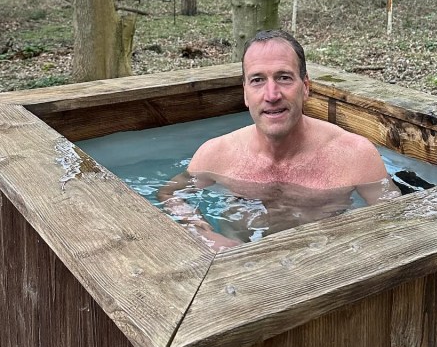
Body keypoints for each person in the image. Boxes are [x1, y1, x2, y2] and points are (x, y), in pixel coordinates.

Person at [159, 29, 399, 250]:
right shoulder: (216, 153)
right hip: (239, 266)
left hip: (322, 265)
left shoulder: (354, 155)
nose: (271, 95)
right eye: (257, 80)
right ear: (245, 93)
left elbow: (397, 221)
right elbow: (170, 194)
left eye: (284, 77)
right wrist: (204, 233)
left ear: (305, 87)